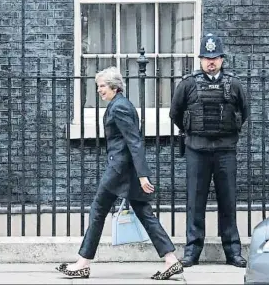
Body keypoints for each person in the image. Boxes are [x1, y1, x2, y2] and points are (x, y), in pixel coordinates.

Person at [55, 66, 183, 280]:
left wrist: (143, 175)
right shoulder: (121, 104)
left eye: (102, 86)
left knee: (97, 210)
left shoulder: (119, 108)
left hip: (119, 169)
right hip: (126, 168)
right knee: (144, 212)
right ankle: (171, 260)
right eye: (98, 86)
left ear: (114, 87)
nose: (99, 90)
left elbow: (134, 141)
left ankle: (82, 263)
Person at [169, 33, 249, 268]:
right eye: (206, 57)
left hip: (225, 150)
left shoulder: (234, 84)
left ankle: (233, 251)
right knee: (195, 201)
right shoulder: (188, 84)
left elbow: (243, 112)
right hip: (197, 149)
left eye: (214, 57)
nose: (210, 62)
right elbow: (175, 113)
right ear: (200, 59)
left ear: (222, 59)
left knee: (228, 201)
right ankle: (192, 251)